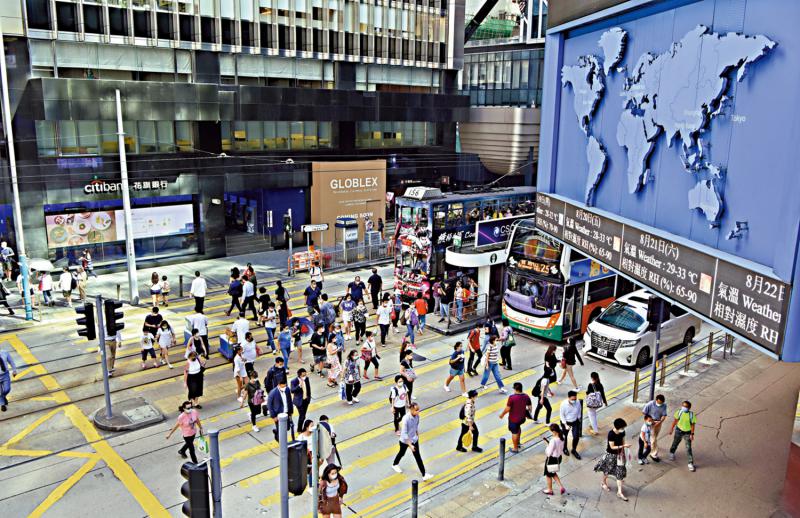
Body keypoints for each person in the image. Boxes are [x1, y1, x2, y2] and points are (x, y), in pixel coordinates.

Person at [392, 402, 433, 479]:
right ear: (411, 410)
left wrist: (416, 433)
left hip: (414, 439)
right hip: (405, 441)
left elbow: (416, 425)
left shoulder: (417, 416)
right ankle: (395, 464)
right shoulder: (406, 419)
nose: (418, 411)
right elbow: (404, 434)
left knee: (418, 456)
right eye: (416, 410)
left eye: (418, 409)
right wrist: (410, 445)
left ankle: (424, 474)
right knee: (402, 453)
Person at [594, 418, 630, 501]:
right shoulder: (611, 434)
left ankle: (619, 492)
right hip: (611, 455)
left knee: (620, 472)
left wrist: (623, 451)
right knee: (607, 471)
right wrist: (623, 446)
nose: (623, 429)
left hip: (620, 454)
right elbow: (612, 447)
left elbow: (623, 442)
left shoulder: (622, 432)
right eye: (622, 427)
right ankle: (603, 482)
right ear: (617, 427)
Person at [499, 382, 531, 453]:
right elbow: (529, 407)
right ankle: (518, 443)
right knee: (518, 428)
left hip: (514, 420)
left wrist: (502, 414)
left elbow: (508, 408)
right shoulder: (526, 396)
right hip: (522, 419)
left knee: (514, 433)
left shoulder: (512, 397)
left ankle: (515, 448)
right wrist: (528, 414)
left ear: (515, 389)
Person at [668, 400, 697, 471]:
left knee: (688, 448)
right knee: (675, 443)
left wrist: (692, 434)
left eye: (686, 406)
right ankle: (672, 453)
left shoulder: (691, 415)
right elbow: (675, 421)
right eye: (683, 406)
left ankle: (690, 463)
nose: (684, 407)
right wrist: (671, 429)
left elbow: (693, 425)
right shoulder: (679, 412)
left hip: (687, 432)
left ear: (689, 408)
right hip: (679, 430)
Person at [542, 423, 566, 496]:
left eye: (551, 431)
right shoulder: (562, 437)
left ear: (554, 431)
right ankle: (561, 487)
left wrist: (547, 447)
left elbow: (548, 453)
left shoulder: (553, 440)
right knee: (553, 473)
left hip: (551, 459)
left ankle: (550, 490)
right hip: (559, 458)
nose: (551, 433)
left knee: (548, 475)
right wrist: (549, 444)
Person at [642, 394, 668, 462]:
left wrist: (660, 422)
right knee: (653, 439)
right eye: (659, 402)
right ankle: (653, 454)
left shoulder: (664, 405)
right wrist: (650, 420)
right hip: (651, 423)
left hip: (658, 422)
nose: (660, 404)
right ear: (656, 400)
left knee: (655, 437)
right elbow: (644, 412)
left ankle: (649, 445)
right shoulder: (650, 404)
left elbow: (664, 415)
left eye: (662, 403)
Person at [559, 390, 583, 459]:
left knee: (576, 437)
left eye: (575, 399)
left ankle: (574, 450)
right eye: (572, 399)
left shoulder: (577, 402)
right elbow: (562, 415)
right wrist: (565, 425)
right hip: (566, 422)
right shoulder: (563, 404)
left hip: (575, 421)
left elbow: (579, 410)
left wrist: (579, 418)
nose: (574, 401)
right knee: (565, 436)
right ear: (568, 398)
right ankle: (565, 448)